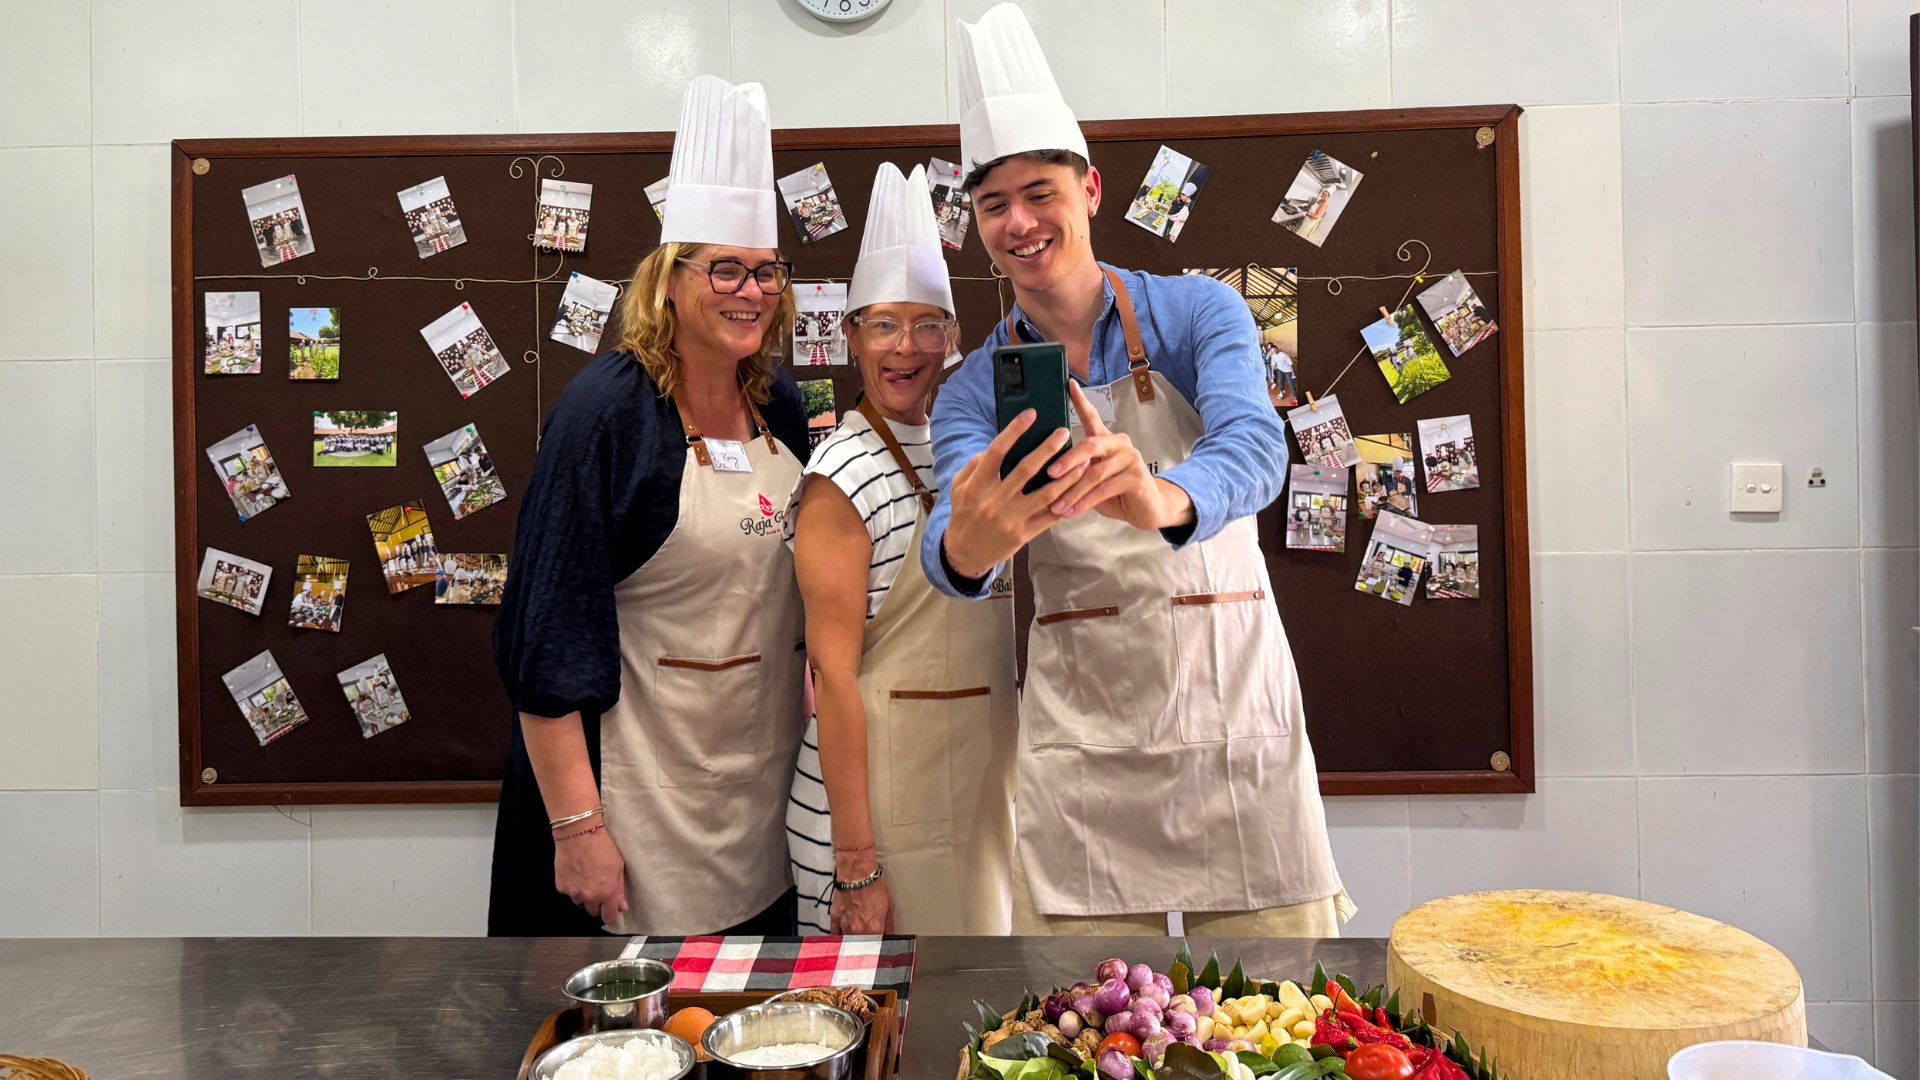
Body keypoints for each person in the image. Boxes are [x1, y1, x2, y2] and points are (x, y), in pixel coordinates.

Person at [923, 3, 1351, 937]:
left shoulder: (1198, 313)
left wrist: (1157, 494)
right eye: (993, 205)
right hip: (1087, 740)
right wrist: (970, 546)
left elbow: (1254, 448)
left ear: (1092, 191)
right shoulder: (969, 394)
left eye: (1040, 193)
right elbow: (951, 550)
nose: (1019, 222)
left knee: (1275, 1019)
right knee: (1079, 1034)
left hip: (1234, 713)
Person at [488, 75, 811, 936]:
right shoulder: (607, 416)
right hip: (633, 809)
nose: (750, 291)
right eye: (725, 269)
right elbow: (545, 641)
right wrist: (577, 829)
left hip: (754, 801)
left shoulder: (777, 401)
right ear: (669, 279)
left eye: (767, 271)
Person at [784, 163, 1019, 936]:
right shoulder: (837, 478)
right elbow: (834, 678)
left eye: (927, 325)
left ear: (954, 339)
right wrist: (857, 865)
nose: (905, 347)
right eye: (883, 323)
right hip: (874, 824)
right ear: (850, 336)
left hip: (971, 794)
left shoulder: (970, 450)